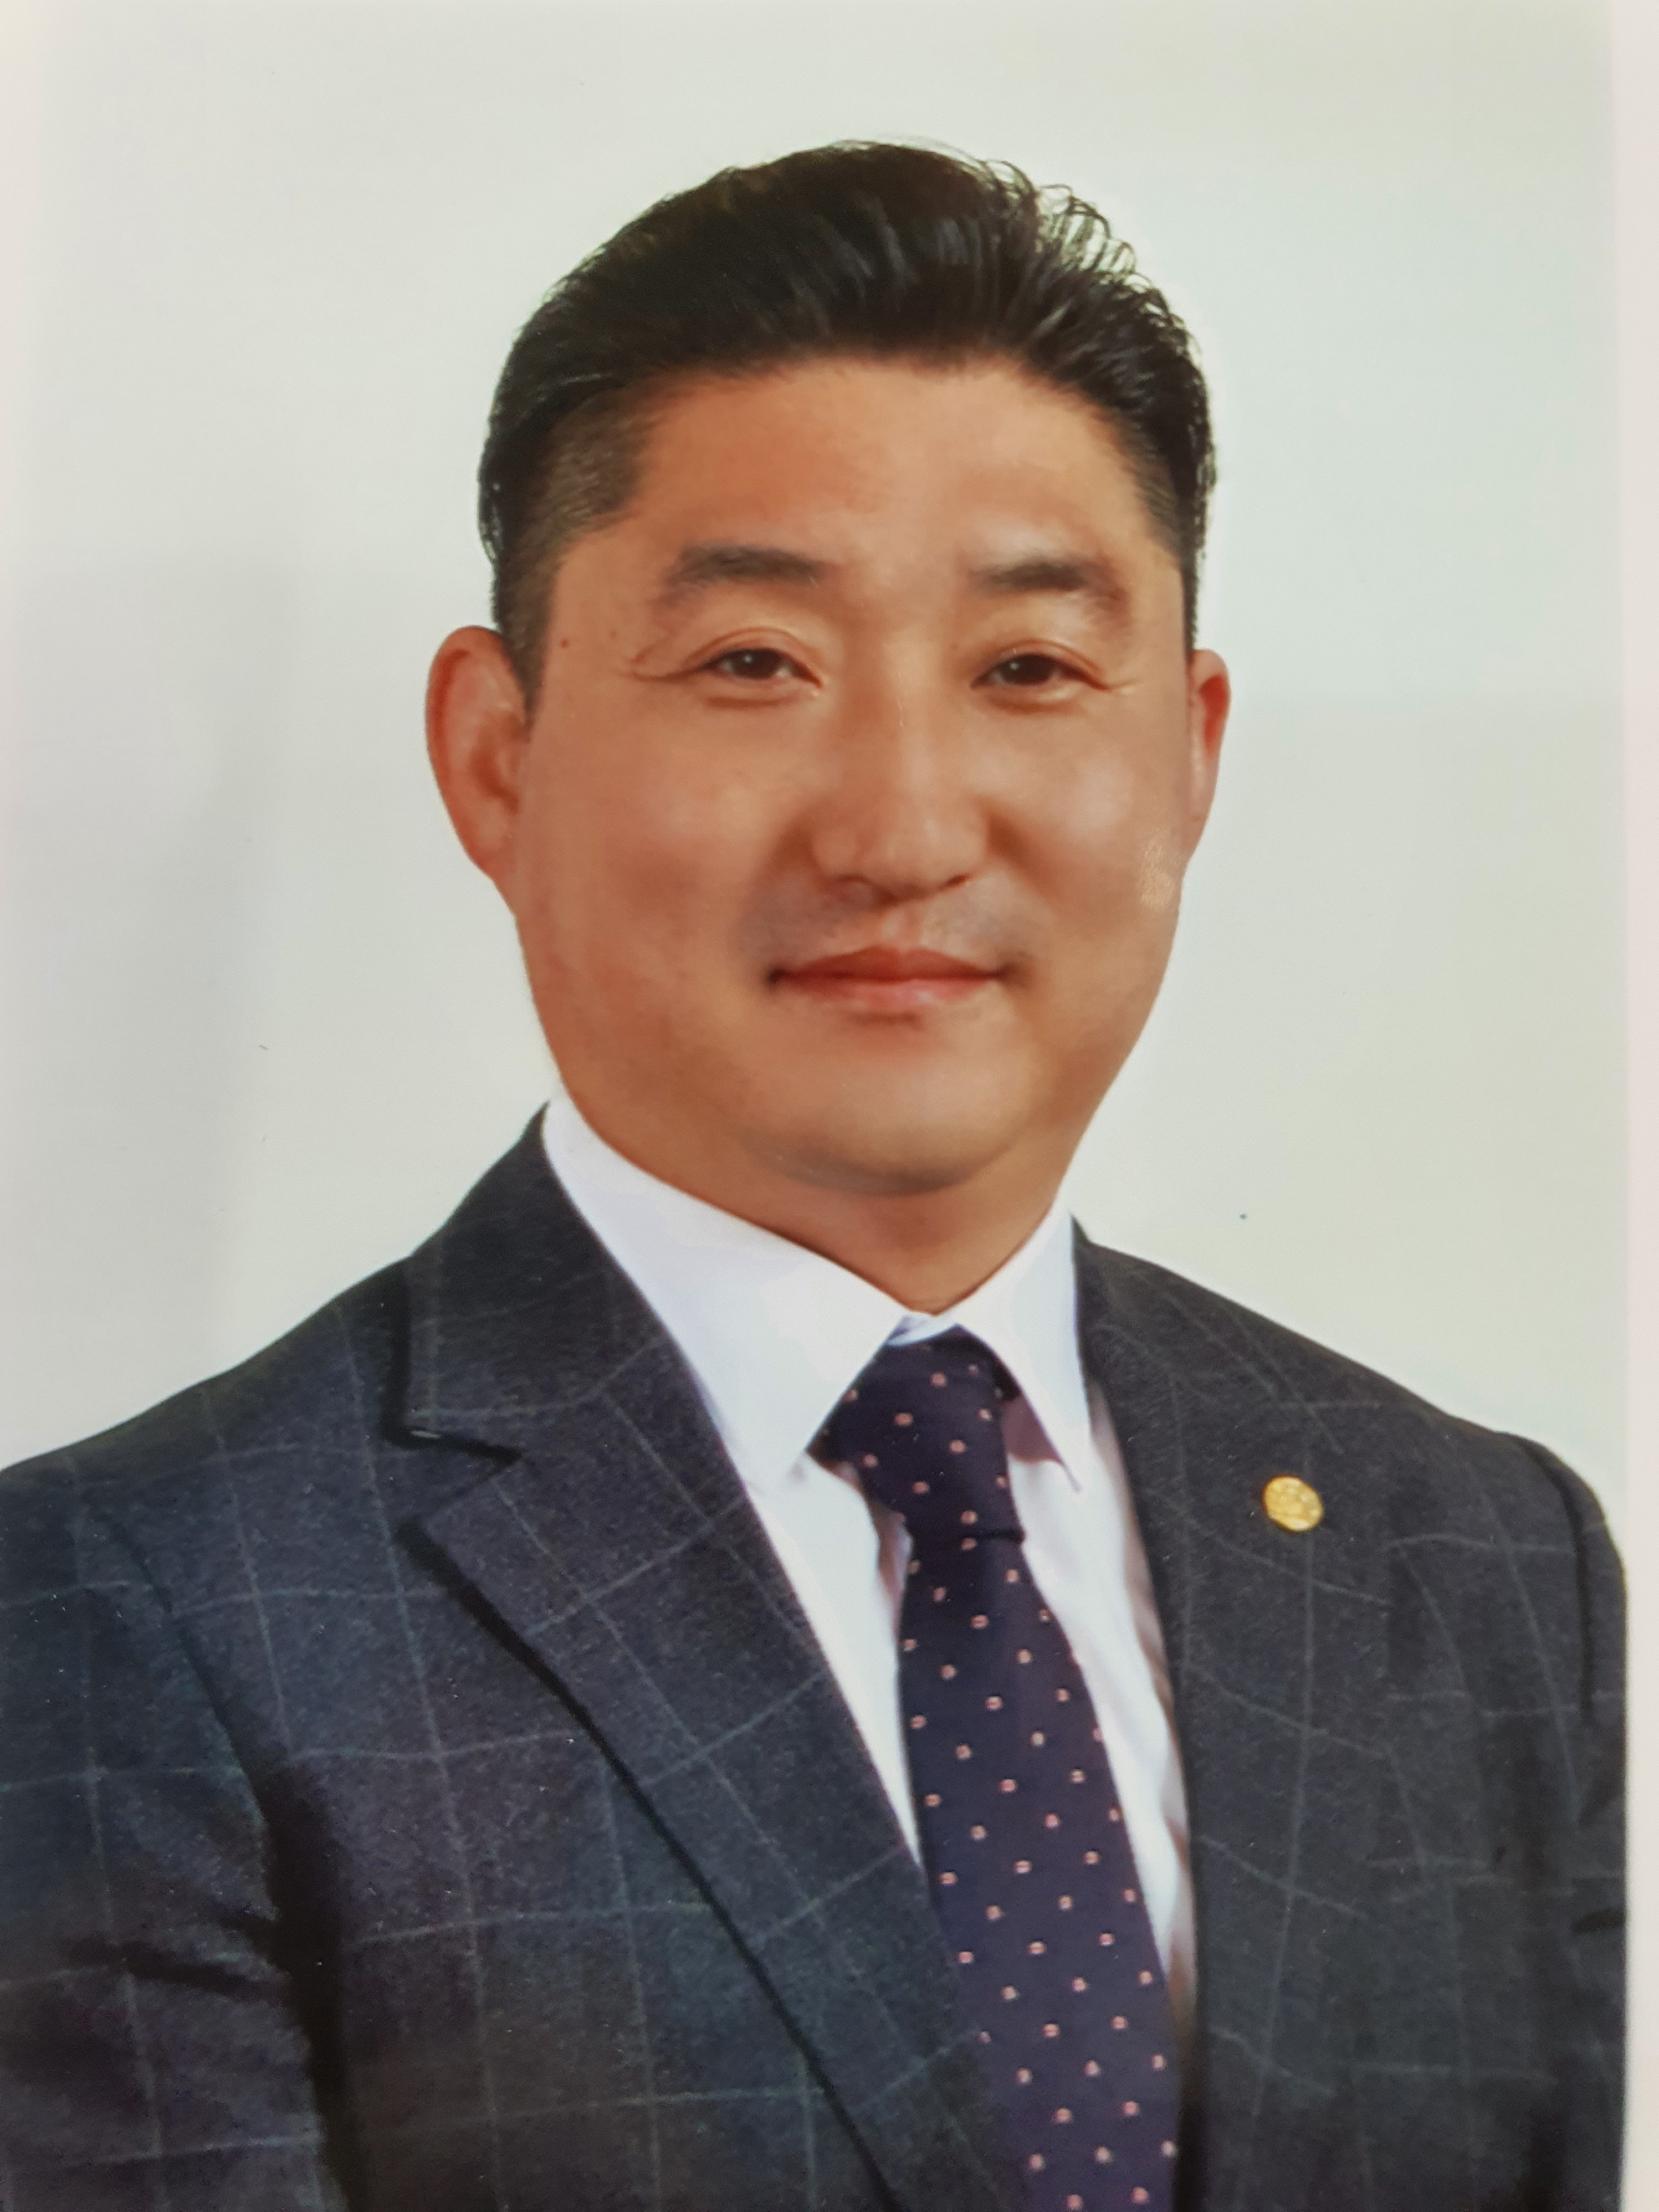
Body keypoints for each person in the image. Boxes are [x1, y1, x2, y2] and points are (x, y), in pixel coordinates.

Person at [0, 143, 1622, 2212]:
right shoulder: (127, 1614)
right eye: (757, 663)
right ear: (497, 756)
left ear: (1190, 753)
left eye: (1028, 670)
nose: (904, 827)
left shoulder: (1480, 1568)